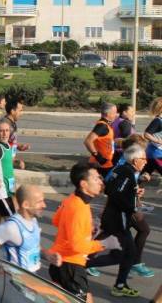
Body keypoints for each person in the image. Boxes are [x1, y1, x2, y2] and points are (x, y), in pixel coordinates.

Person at [47, 163, 121, 303]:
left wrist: (87, 227)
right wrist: (104, 244)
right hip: (70, 265)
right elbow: (78, 246)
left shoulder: (72, 198)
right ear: (84, 184)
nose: (101, 182)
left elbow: (56, 220)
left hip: (62, 263)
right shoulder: (79, 208)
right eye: (96, 178)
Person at [84, 144, 146, 297]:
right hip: (118, 219)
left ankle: (119, 285)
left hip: (112, 216)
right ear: (135, 160)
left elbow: (110, 189)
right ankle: (78, 263)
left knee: (125, 252)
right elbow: (116, 193)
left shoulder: (120, 169)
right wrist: (132, 208)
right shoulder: (128, 173)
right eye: (144, 159)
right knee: (123, 254)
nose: (146, 162)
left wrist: (134, 193)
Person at [0, 185, 61, 272]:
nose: (44, 205)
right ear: (25, 205)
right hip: (14, 279)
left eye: (43, 201)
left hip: (31, 277)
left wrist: (47, 255)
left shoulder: (33, 221)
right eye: (39, 202)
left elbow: (33, 246)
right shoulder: (11, 227)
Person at [84, 102, 117, 176]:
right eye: (114, 112)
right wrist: (99, 157)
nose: (116, 115)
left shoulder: (106, 125)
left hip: (106, 163)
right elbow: (88, 141)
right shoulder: (102, 126)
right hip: (100, 164)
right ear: (108, 114)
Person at [4, 99, 29, 170]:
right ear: (12, 111)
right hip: (4, 165)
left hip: (9, 163)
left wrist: (18, 146)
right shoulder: (4, 125)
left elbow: (9, 141)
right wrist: (14, 162)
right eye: (20, 110)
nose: (21, 113)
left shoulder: (12, 123)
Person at [144, 97, 162, 175]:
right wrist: (158, 141)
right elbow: (146, 134)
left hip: (156, 153)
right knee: (145, 174)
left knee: (145, 174)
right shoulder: (157, 121)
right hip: (156, 153)